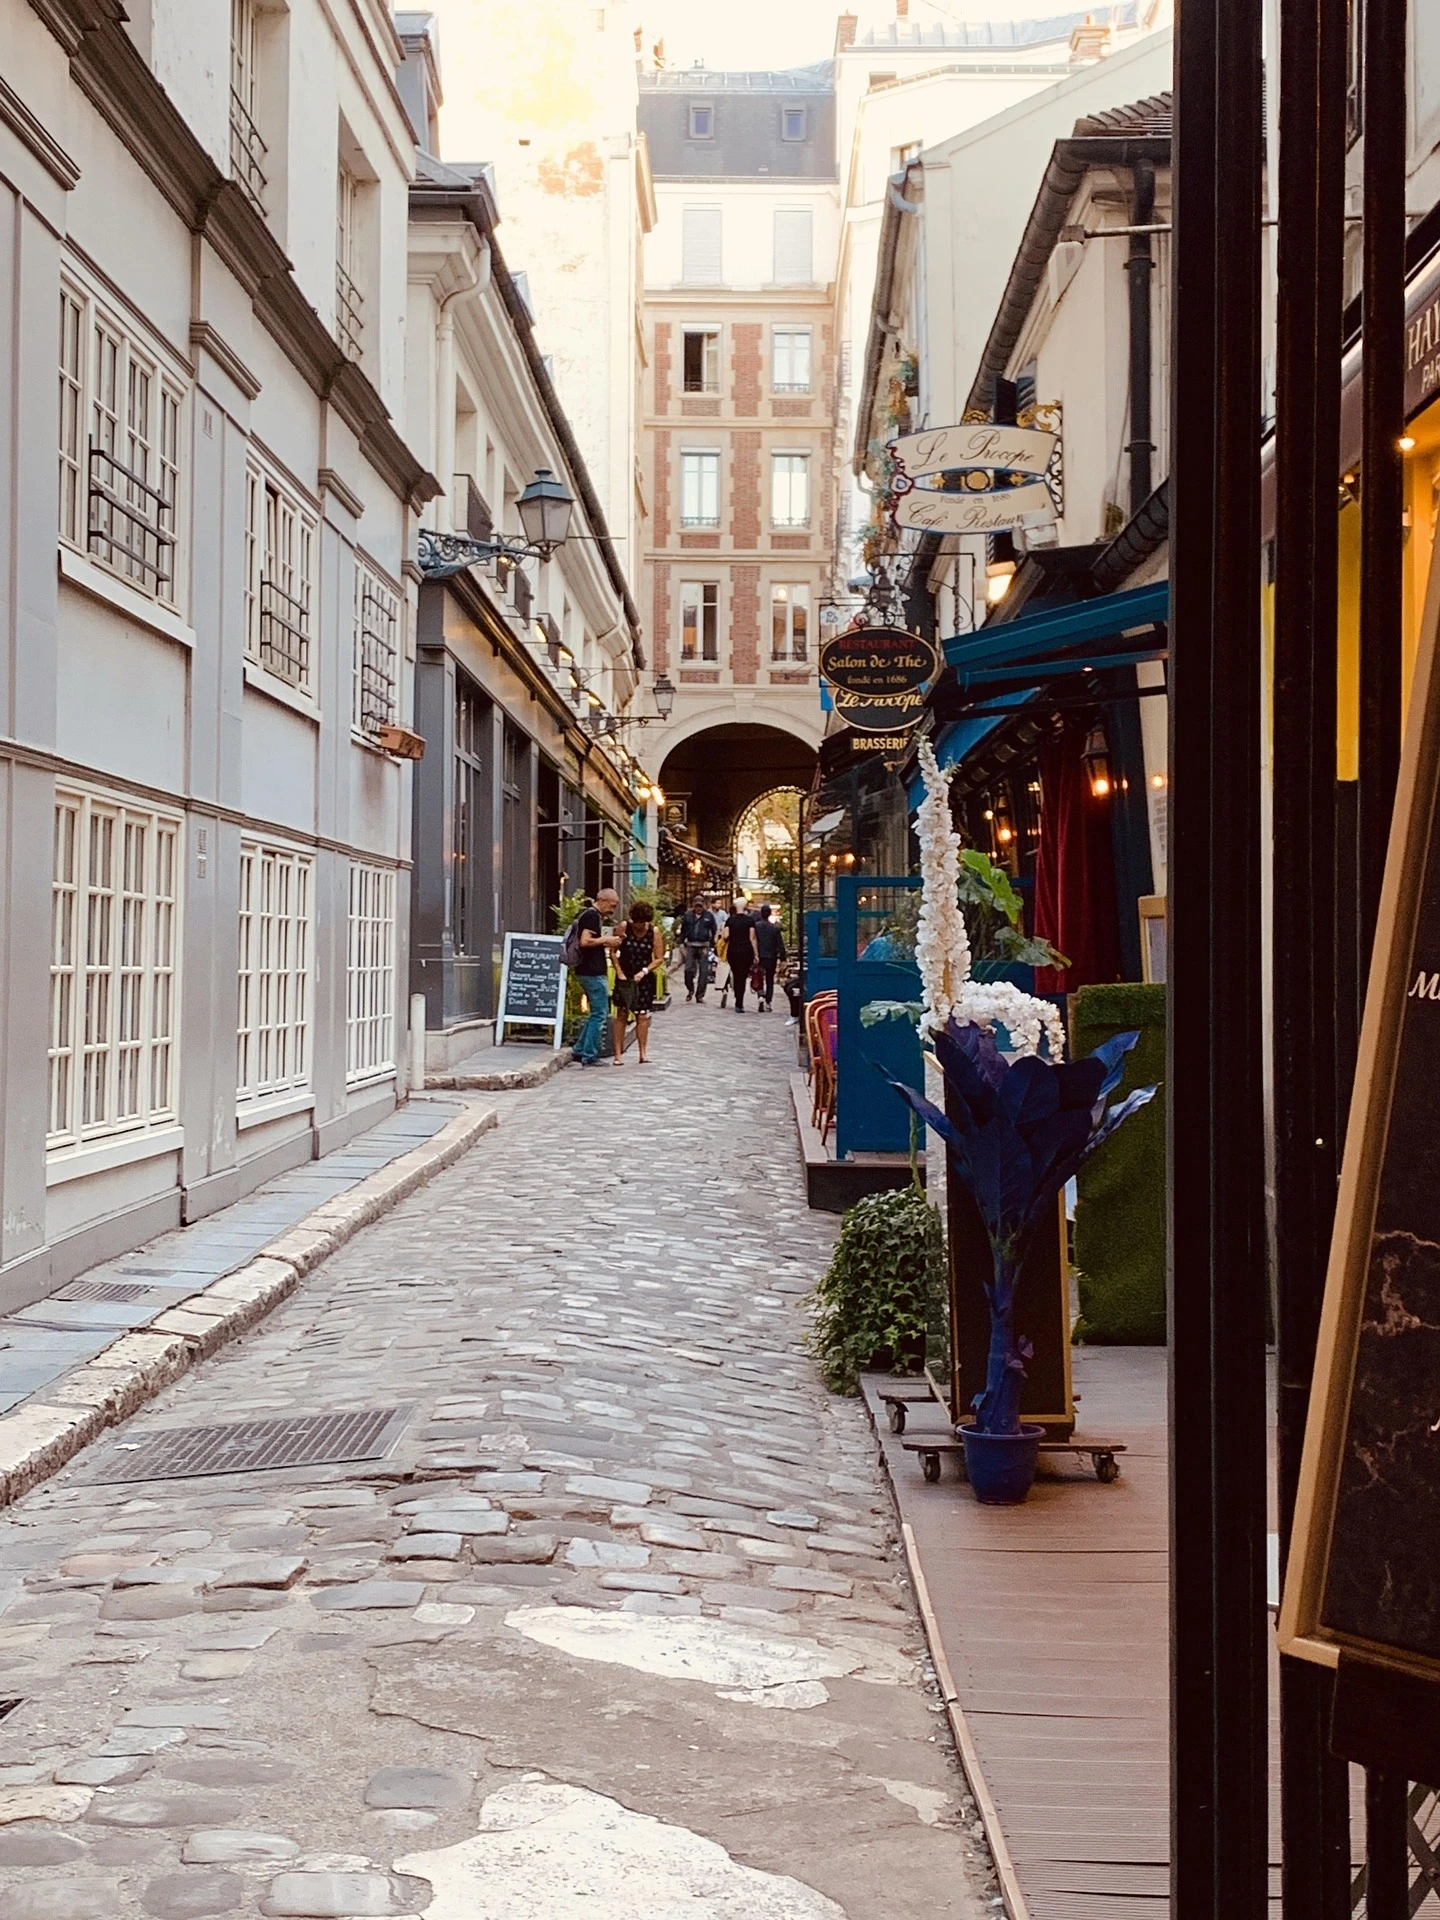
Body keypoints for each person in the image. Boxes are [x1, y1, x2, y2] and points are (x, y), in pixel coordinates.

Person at [571, 887, 621, 1066]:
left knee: (595, 1013)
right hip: (592, 971)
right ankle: (589, 1054)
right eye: (612, 906)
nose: (613, 910)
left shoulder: (589, 915)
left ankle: (579, 1049)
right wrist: (606, 941)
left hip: (588, 970)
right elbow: (585, 941)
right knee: (600, 1013)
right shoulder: (592, 916)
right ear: (603, 900)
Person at [612, 900, 664, 1064]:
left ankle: (642, 1053)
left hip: (644, 977)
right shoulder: (624, 927)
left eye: (642, 922)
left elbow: (659, 958)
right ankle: (618, 1054)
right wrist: (619, 972)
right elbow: (613, 951)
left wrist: (645, 971)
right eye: (637, 922)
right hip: (625, 975)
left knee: (642, 1016)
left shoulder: (653, 931)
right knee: (621, 1013)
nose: (639, 926)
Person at [678, 895, 718, 1002]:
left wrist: (712, 945)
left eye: (700, 906)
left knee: (704, 972)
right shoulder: (688, 915)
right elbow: (683, 930)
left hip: (704, 946)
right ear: (693, 906)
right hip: (691, 945)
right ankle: (690, 989)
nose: (698, 908)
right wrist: (681, 943)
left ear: (703, 906)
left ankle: (699, 995)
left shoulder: (708, 916)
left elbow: (714, 930)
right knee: (688, 970)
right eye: (697, 906)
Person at [723, 897, 758, 1013]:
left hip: (733, 950)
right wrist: (756, 954)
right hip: (746, 950)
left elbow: (725, 936)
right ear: (745, 906)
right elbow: (752, 938)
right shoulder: (749, 921)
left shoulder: (730, 920)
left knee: (736, 974)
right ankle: (740, 1002)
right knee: (743, 976)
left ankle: (737, 996)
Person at [754, 904, 786, 1013]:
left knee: (758, 977)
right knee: (769, 980)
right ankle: (768, 1001)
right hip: (771, 957)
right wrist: (783, 958)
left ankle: (761, 995)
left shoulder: (756, 927)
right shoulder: (774, 928)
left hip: (759, 956)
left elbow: (753, 940)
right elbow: (780, 944)